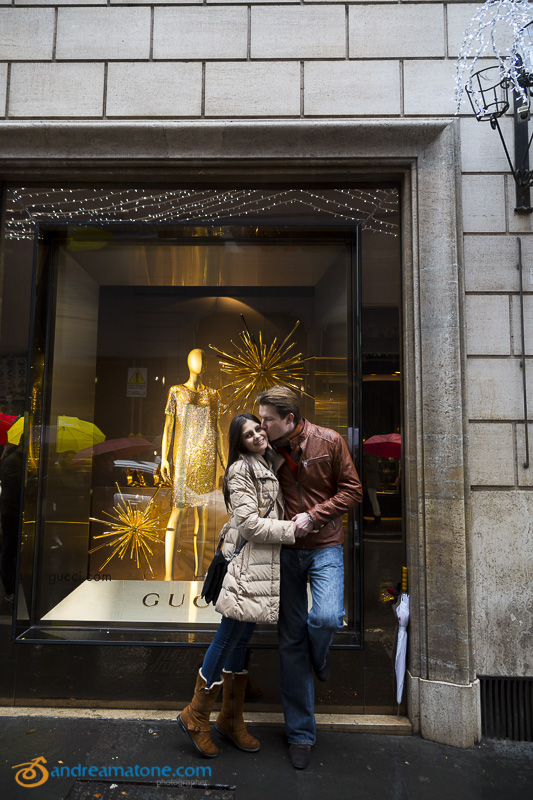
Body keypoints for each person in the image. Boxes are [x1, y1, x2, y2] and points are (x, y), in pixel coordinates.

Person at [177, 413, 305, 758]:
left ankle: (231, 718)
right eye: (248, 435)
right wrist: (292, 530)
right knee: (228, 634)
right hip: (247, 561)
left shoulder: (268, 460)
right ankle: (196, 713)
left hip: (261, 562)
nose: (257, 435)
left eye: (258, 428)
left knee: (242, 637)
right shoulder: (241, 469)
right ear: (240, 442)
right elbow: (249, 524)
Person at [257, 386, 363, 770]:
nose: (262, 424)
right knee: (290, 642)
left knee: (327, 617)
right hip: (284, 551)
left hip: (325, 545)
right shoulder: (263, 449)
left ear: (290, 418)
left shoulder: (330, 441)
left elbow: (354, 490)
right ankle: (300, 734)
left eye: (268, 419)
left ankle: (319, 655)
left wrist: (314, 515)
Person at [161, 348, 225, 580]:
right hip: (182, 459)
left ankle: (200, 574)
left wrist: (224, 460)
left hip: (206, 459)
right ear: (189, 362)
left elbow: (217, 429)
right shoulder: (176, 391)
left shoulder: (214, 395)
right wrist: (164, 459)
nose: (202, 362)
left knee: (203, 518)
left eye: (204, 359)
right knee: (176, 514)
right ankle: (168, 575)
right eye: (198, 358)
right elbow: (168, 427)